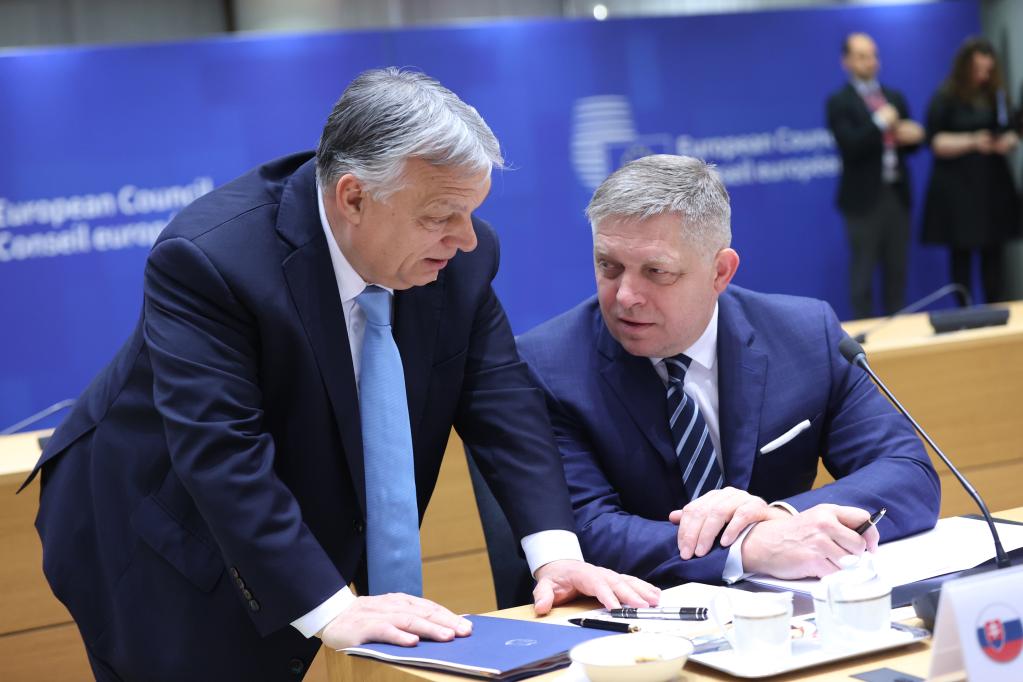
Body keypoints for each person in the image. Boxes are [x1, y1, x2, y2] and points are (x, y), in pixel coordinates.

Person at [23, 68, 658, 681]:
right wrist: (332, 609)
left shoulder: (459, 256)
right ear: (353, 197)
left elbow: (502, 401)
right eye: (441, 215)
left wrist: (556, 555)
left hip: (287, 501)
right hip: (162, 531)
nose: (467, 238)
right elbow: (221, 452)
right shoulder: (211, 259)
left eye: (471, 212)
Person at [517, 154, 940, 588]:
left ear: (720, 271)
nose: (625, 295)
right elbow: (584, 533)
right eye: (609, 266)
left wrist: (782, 517)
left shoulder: (804, 336)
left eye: (656, 271)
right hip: (644, 611)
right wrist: (747, 548)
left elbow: (909, 474)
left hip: (789, 605)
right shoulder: (548, 366)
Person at [826, 32, 924, 319]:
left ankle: (899, 334)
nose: (870, 62)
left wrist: (915, 136)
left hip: (896, 194)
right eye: (861, 56)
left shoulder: (893, 97)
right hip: (862, 200)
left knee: (897, 272)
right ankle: (864, 340)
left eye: (873, 55)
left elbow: (909, 144)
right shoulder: (839, 102)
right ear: (846, 61)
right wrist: (879, 121)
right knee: (863, 276)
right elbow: (850, 145)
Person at [922, 37, 1021, 303]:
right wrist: (973, 140)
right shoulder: (945, 97)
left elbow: (1014, 130)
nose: (983, 76)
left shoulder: (996, 96)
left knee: (994, 254)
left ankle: (995, 309)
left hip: (992, 187)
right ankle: (964, 313)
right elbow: (935, 141)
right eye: (978, 69)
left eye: (988, 70)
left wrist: (1006, 141)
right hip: (958, 189)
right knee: (961, 255)